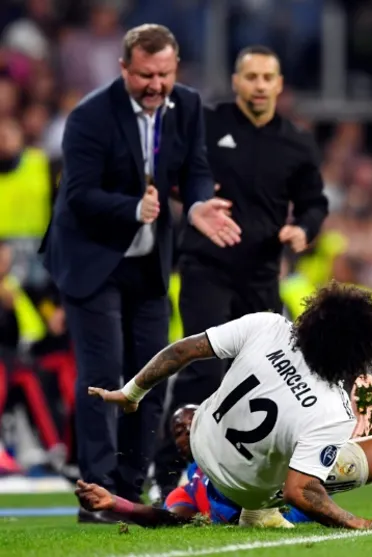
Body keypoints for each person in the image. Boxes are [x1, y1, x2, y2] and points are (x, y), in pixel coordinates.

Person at [38, 24, 241, 521]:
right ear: (124, 68)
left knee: (152, 374)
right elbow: (78, 194)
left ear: (176, 69)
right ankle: (97, 494)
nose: (156, 85)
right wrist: (133, 209)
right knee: (103, 375)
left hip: (147, 261)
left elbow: (195, 169)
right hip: (92, 259)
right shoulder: (89, 116)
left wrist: (196, 204)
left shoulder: (186, 105)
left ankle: (129, 489)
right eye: (145, 75)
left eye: (164, 74)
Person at [89, 282, 372, 530]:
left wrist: (132, 392)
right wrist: (363, 524)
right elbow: (300, 492)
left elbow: (181, 351)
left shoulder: (268, 326)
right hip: (255, 493)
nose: (179, 429)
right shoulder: (331, 409)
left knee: (195, 412)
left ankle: (334, 445)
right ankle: (338, 446)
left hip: (212, 443)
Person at [154, 44, 328, 498]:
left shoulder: (297, 141)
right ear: (236, 82)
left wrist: (302, 229)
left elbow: (314, 202)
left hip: (261, 276)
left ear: (280, 84)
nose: (260, 86)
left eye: (268, 77)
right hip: (206, 267)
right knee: (203, 371)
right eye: (251, 77)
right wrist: (189, 195)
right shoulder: (206, 123)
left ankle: (241, 482)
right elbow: (165, 170)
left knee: (259, 378)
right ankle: (165, 474)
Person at [76, 373, 372, 528]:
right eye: (179, 430)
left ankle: (345, 436)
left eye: (192, 422)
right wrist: (118, 505)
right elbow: (172, 520)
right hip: (265, 505)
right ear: (178, 448)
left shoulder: (235, 438)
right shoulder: (189, 489)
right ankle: (348, 437)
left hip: (294, 487)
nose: (186, 430)